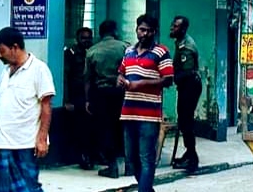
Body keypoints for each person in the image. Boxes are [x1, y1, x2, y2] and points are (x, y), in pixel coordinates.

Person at [0, 27, 55, 192]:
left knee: (26, 188)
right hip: (1, 143)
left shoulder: (39, 69)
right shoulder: (5, 72)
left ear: (15, 47)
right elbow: (6, 102)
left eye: (1, 51)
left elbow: (46, 106)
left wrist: (42, 138)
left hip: (24, 144)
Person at [119, 15, 173, 192]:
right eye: (142, 29)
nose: (145, 33)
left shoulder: (161, 52)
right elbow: (120, 73)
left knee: (146, 158)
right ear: (136, 30)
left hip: (149, 115)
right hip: (128, 112)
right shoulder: (128, 52)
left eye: (150, 30)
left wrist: (141, 84)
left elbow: (168, 79)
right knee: (131, 159)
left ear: (154, 32)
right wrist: (120, 80)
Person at [85, 19, 130, 178]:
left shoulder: (92, 51)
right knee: (124, 127)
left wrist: (88, 100)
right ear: (115, 31)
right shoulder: (125, 47)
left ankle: (112, 167)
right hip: (122, 92)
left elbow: (88, 79)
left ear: (101, 33)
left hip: (102, 94)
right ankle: (129, 165)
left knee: (106, 129)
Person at [170, 15, 202, 172]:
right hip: (186, 85)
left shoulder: (186, 47)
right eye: (173, 25)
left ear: (183, 29)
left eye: (175, 26)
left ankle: (192, 158)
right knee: (183, 121)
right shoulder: (180, 42)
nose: (172, 28)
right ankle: (189, 154)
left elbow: (187, 72)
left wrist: (170, 78)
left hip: (190, 85)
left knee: (185, 122)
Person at [64, 27, 94, 169]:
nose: (86, 41)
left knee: (90, 127)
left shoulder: (93, 52)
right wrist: (67, 100)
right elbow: (66, 77)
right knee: (78, 127)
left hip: (91, 95)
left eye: (89, 38)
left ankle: (90, 155)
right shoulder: (70, 53)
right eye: (83, 38)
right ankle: (81, 156)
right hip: (76, 95)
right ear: (77, 39)